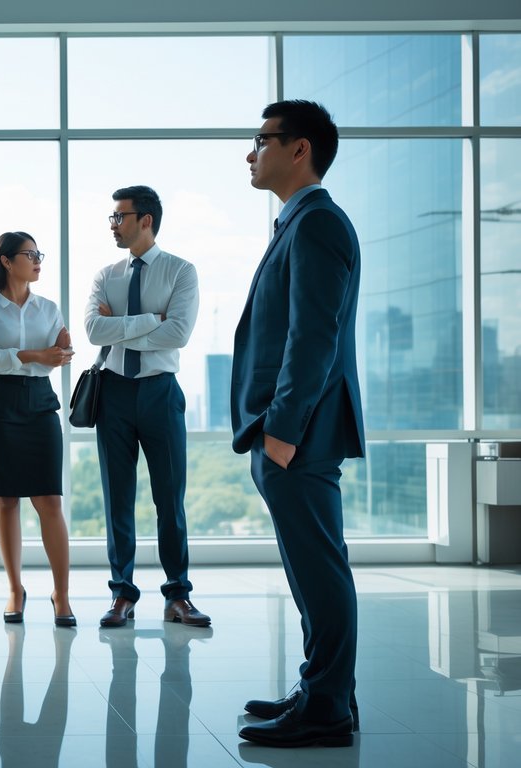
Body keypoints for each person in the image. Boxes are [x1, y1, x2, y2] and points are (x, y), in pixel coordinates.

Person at [233, 100, 364, 749]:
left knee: (317, 569)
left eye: (260, 140)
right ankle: (325, 690)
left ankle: (326, 710)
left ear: (298, 148)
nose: (249, 152)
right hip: (290, 429)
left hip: (297, 431)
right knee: (313, 567)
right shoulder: (301, 222)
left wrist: (280, 429)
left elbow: (313, 336)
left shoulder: (316, 223)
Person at [82, 185, 209, 630]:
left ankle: (178, 596)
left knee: (168, 499)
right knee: (118, 498)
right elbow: (95, 331)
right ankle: (122, 595)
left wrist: (121, 327)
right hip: (113, 393)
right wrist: (146, 322)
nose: (113, 225)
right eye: (112, 218)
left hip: (160, 392)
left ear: (145, 220)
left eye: (120, 217)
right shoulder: (106, 274)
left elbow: (178, 334)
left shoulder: (180, 271)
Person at [0, 231, 75, 627]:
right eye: (29, 255)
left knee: (49, 500)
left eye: (38, 254)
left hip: (40, 403)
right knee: (6, 500)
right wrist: (35, 354)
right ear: (6, 261)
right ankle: (15, 589)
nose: (37, 261)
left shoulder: (48, 308)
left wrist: (55, 354)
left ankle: (61, 594)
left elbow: (59, 359)